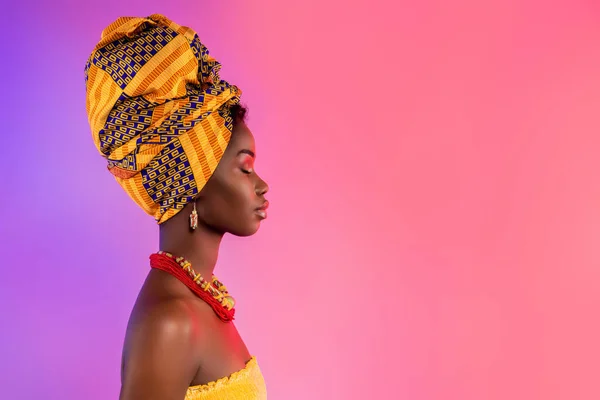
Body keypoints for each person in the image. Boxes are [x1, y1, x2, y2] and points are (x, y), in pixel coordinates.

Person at [84, 14, 270, 400]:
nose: (261, 185)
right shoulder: (171, 319)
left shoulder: (198, 300)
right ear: (194, 179)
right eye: (245, 167)